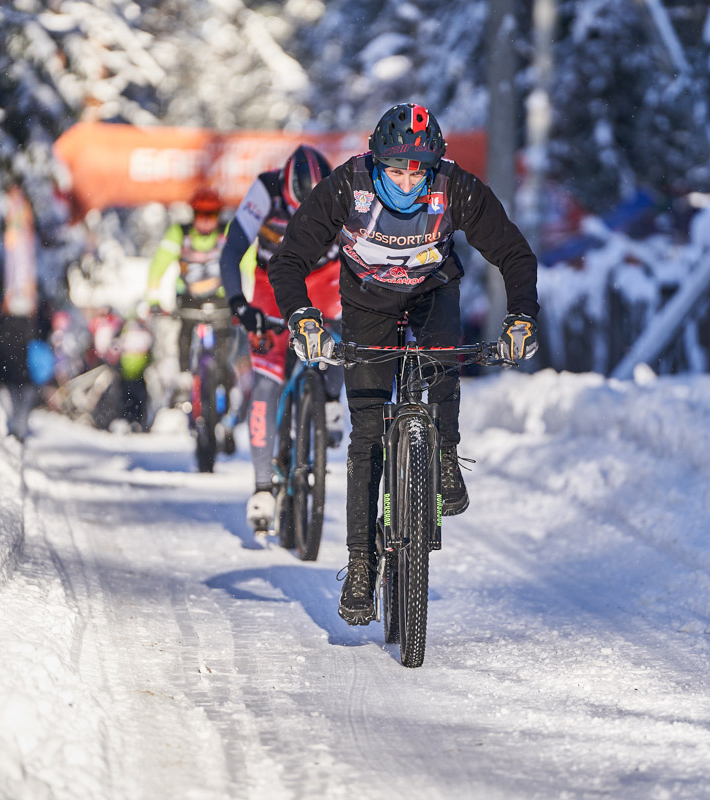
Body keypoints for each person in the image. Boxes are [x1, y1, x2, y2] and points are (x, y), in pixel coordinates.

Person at [267, 103, 540, 625]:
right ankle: (361, 563)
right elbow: (290, 259)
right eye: (397, 168)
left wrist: (521, 319)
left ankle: (445, 455)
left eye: (420, 168)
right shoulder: (347, 187)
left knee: (442, 362)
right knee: (367, 434)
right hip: (366, 300)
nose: (410, 179)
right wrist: (302, 319)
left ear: (435, 162)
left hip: (433, 289)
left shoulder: (456, 187)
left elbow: (513, 253)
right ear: (376, 160)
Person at [220, 145, 344, 531]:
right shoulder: (265, 189)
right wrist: (240, 303)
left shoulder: (341, 189)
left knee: (345, 333)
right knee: (266, 384)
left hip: (325, 280)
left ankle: (329, 400)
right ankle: (261, 488)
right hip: (271, 283)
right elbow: (232, 250)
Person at [146, 186, 237, 441]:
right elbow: (159, 264)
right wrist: (153, 297)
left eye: (212, 214)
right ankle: (186, 380)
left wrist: (246, 298)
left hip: (221, 302)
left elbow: (247, 261)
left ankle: (225, 402)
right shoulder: (179, 233)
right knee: (184, 334)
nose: (206, 219)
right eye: (201, 214)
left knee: (223, 357)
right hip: (189, 301)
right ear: (193, 214)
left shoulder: (227, 232)